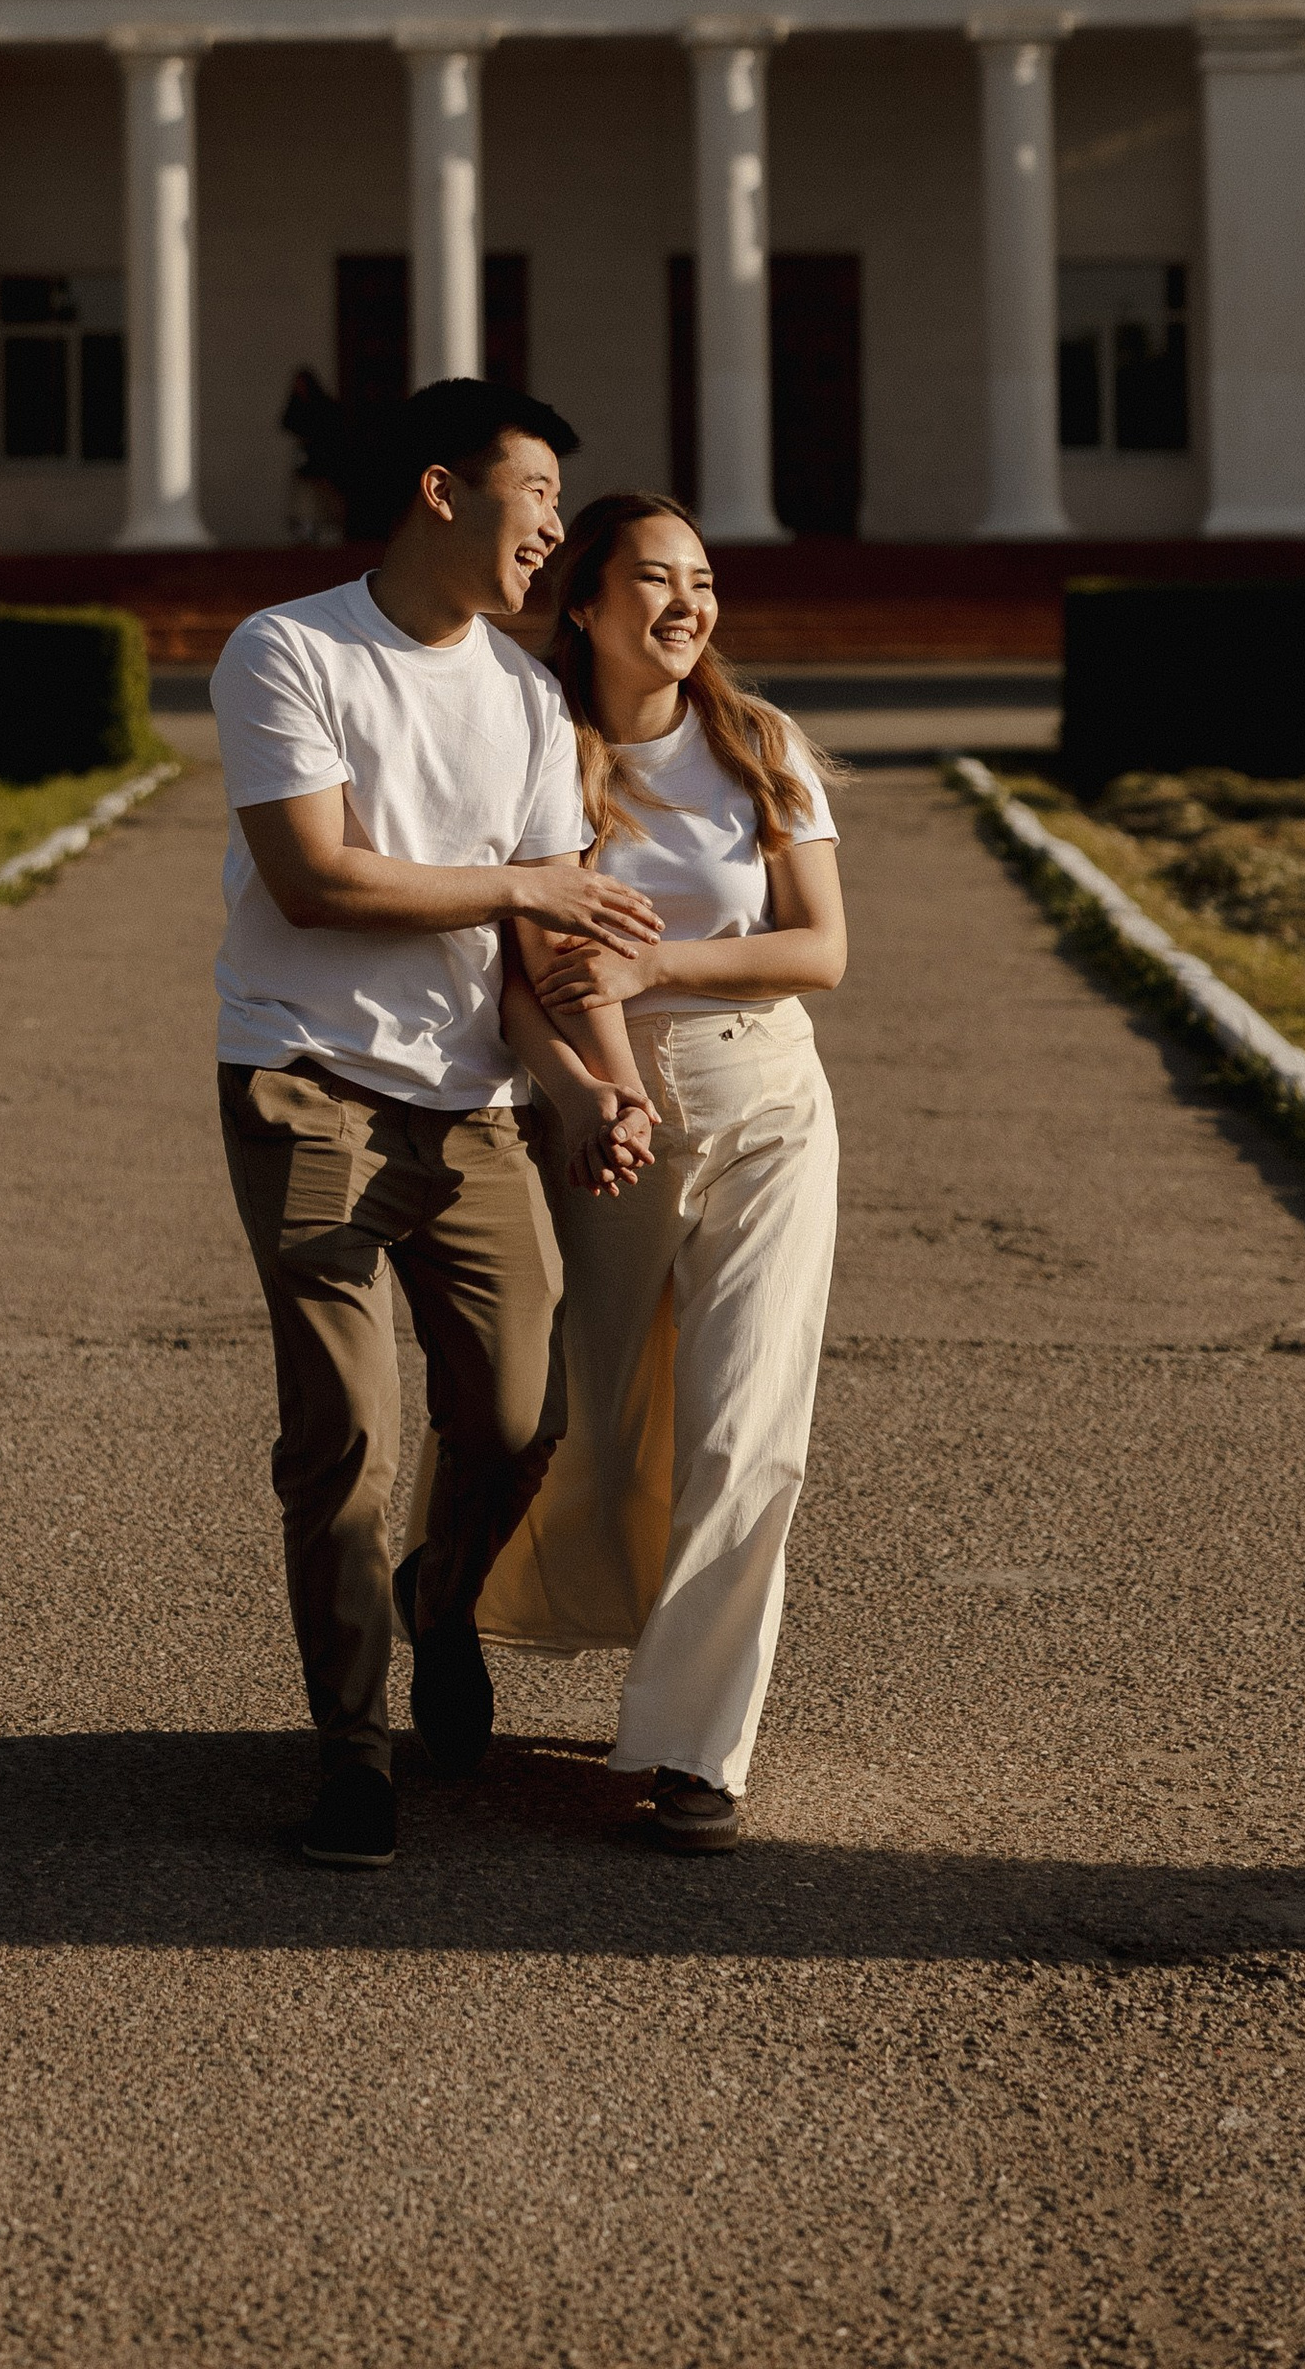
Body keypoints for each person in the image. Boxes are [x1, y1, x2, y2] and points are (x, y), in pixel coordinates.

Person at [212, 379, 666, 1875]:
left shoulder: (528, 699)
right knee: (344, 1436)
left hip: (468, 1102)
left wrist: (599, 1081)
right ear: (439, 492)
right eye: (533, 492)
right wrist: (523, 888)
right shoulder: (289, 650)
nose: (552, 526)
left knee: (518, 1418)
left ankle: (442, 1596)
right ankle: (354, 1756)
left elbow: (549, 949)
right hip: (306, 1083)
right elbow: (317, 882)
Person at [483, 488, 845, 1856]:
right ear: (583, 603)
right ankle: (448, 1590)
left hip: (768, 1105)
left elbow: (820, 950)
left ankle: (696, 1750)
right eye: (653, 579)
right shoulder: (538, 754)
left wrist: (661, 964)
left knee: (747, 1424)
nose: (686, 604)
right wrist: (593, 1087)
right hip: (603, 1120)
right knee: (572, 1418)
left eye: (701, 580)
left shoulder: (758, 745)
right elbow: (518, 978)